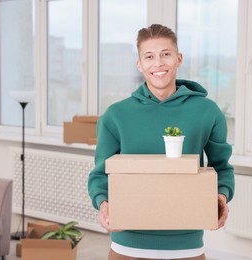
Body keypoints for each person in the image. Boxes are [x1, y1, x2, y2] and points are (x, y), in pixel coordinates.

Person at [88, 24, 235, 260]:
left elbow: (222, 167)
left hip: (187, 245)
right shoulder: (115, 115)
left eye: (165, 54)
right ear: (140, 64)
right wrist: (103, 203)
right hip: (128, 245)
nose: (158, 63)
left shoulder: (207, 111)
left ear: (178, 59)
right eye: (149, 56)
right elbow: (99, 174)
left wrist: (221, 196)